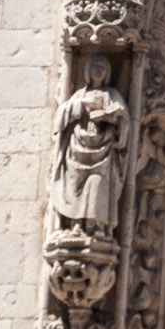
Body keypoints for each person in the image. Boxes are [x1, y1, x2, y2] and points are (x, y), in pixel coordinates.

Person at [52, 54, 130, 229]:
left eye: (102, 67)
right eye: (95, 66)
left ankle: (95, 225)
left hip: (104, 148)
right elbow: (62, 116)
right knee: (74, 185)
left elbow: (124, 120)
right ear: (87, 70)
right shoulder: (81, 94)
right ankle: (76, 224)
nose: (99, 70)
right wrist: (82, 104)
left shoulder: (112, 94)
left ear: (108, 72)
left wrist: (111, 118)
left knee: (97, 184)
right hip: (77, 149)